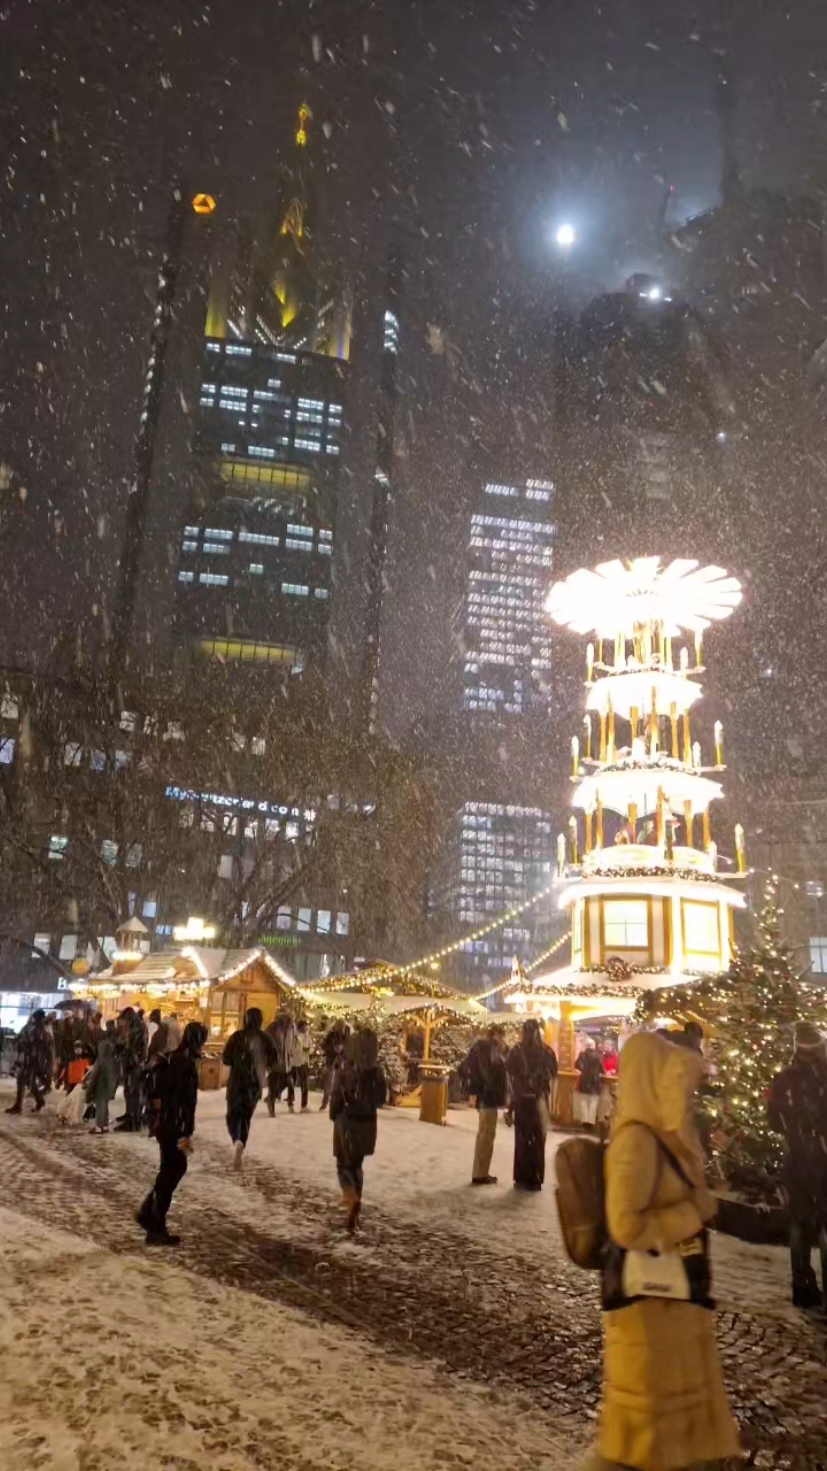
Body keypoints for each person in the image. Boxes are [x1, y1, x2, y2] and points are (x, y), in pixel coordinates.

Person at [587, 1029, 741, 1471]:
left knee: (660, 1442)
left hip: (672, 1308)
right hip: (648, 1310)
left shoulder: (660, 1134)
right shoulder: (635, 1142)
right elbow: (626, 1224)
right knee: (635, 1445)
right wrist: (692, 1212)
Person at [768, 1021, 827, 1309]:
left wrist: (793, 1133)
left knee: (800, 1224)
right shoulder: (824, 1077)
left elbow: (773, 1121)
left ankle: (802, 1287)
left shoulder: (784, 1078)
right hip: (823, 1157)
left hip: (796, 1157)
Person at [137, 1021, 206, 1247]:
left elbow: (162, 1092)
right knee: (172, 1171)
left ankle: (150, 1213)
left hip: (166, 1123)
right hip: (174, 1125)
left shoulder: (173, 1059)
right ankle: (155, 1224)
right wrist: (185, 1131)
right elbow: (184, 1101)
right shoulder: (184, 1065)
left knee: (170, 1169)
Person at [330, 1027, 387, 1233]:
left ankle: (350, 1198)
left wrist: (334, 1113)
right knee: (357, 1164)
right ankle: (357, 1198)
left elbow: (336, 1093)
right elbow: (381, 1099)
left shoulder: (345, 1066)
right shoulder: (376, 1070)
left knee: (343, 1164)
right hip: (367, 1121)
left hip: (347, 1119)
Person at [506, 1019, 557, 1190]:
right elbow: (553, 1073)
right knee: (537, 1140)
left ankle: (521, 1176)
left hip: (521, 1099)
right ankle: (535, 1177)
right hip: (538, 1099)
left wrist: (511, 1103)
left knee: (521, 1139)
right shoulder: (546, 1051)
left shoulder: (516, 1051)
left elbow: (510, 1073)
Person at [222, 1008, 275, 1169]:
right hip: (254, 1084)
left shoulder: (237, 1036)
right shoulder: (266, 1038)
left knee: (233, 1114)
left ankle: (236, 1140)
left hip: (237, 1083)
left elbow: (226, 1058)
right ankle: (241, 1142)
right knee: (245, 1117)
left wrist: (239, 1061)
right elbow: (274, 1058)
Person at [462, 1025, 508, 1185]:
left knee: (483, 1133)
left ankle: (479, 1171)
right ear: (495, 1035)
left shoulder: (480, 1049)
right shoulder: (490, 1051)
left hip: (484, 1096)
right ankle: (481, 1174)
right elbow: (496, 1073)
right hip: (489, 1096)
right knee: (487, 1135)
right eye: (502, 1036)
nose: (503, 1039)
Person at [6, 1010, 55, 1114]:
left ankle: (18, 1106)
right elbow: (50, 1052)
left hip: (30, 1061)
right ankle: (39, 1100)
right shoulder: (45, 1033)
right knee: (29, 1082)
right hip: (37, 1062)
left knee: (21, 1080)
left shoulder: (33, 1031)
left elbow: (21, 1041)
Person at [115, 1006, 148, 1131]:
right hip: (133, 1064)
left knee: (134, 1092)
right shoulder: (136, 1026)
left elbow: (132, 1047)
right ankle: (130, 1115)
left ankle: (133, 1120)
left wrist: (122, 1048)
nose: (122, 1024)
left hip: (134, 1065)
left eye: (123, 1021)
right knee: (130, 1091)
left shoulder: (136, 1028)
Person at [83, 1032, 119, 1134]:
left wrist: (89, 1092)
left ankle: (98, 1126)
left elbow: (94, 1078)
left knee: (100, 1106)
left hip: (100, 1088)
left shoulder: (100, 1062)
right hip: (109, 1089)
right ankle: (105, 1125)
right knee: (105, 1106)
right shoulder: (112, 1061)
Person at [265, 1013, 297, 1115]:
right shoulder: (273, 1027)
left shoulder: (291, 1028)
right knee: (273, 1083)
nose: (291, 1021)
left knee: (288, 1081)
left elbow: (293, 1041)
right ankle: (271, 1105)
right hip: (275, 1060)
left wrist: (293, 1051)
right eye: (290, 1019)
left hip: (287, 1061)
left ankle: (274, 1098)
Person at [575, 1039, 605, 1130]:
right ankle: (591, 1122)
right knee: (593, 1102)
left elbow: (577, 1065)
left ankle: (584, 1122)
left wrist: (583, 1071)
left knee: (583, 1101)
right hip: (595, 1080)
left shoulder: (581, 1055)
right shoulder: (597, 1056)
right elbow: (602, 1069)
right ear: (593, 1046)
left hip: (584, 1080)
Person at [320, 1021, 349, 1109]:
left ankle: (341, 1103)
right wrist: (332, 1050)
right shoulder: (331, 1035)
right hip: (331, 1060)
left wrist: (343, 1051)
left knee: (341, 1082)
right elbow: (323, 1045)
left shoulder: (347, 1036)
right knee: (329, 1082)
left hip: (342, 1061)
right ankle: (325, 1101)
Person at [293, 1017, 311, 1112]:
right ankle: (290, 1100)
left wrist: (308, 1050)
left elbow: (311, 1048)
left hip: (304, 1062)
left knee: (305, 1084)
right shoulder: (295, 1036)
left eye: (306, 1027)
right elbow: (292, 1048)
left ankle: (304, 1104)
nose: (306, 1029)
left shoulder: (307, 1036)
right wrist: (301, 1050)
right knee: (292, 1081)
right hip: (296, 1062)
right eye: (304, 1027)